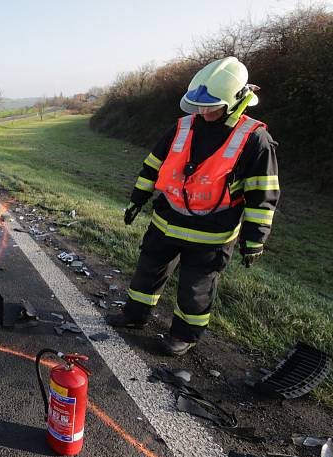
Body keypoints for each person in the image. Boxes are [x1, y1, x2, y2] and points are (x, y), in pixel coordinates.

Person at [109, 56, 280, 356]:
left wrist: (255, 238)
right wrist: (137, 201)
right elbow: (153, 166)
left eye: (211, 105)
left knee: (195, 287)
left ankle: (183, 336)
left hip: (211, 236)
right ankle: (135, 315)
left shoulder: (255, 139)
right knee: (147, 271)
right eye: (199, 104)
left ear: (237, 100)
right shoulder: (182, 127)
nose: (204, 111)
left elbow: (261, 193)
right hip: (166, 222)